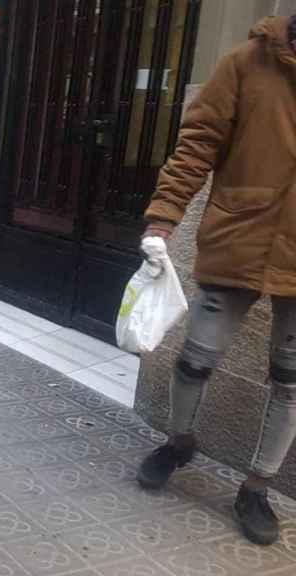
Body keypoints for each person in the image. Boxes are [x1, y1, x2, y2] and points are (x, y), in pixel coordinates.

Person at [136, 15, 296, 546]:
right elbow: (197, 144)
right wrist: (163, 217)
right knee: (195, 358)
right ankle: (180, 442)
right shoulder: (246, 63)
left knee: (290, 381)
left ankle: (256, 487)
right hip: (240, 239)